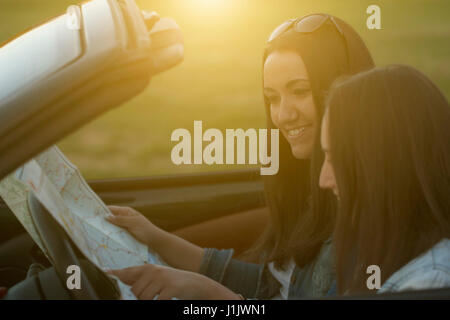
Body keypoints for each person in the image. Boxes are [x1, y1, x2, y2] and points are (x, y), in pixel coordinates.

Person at [107, 13, 374, 300]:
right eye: (272, 98)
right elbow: (272, 285)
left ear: (343, 92)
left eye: (300, 91)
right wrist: (156, 237)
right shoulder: (308, 186)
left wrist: (208, 293)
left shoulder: (357, 211)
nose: (283, 115)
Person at [319, 64, 450, 294]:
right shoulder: (386, 248)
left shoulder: (427, 283)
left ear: (379, 165)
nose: (323, 180)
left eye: (334, 159)